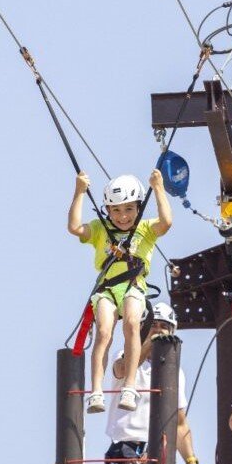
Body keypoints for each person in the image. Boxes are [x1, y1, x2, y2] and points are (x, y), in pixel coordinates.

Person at [68, 169, 172, 414]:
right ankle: (96, 391)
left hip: (133, 286)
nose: (122, 216)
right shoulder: (100, 229)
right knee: (104, 331)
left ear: (138, 208)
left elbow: (166, 222)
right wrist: (79, 191)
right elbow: (74, 227)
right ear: (107, 211)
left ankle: (130, 385)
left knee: (132, 324)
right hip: (107, 289)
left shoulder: (145, 229)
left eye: (128, 209)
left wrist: (158, 187)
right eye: (115, 210)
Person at [103, 303, 199, 464]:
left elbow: (178, 421)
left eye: (164, 327)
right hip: (128, 447)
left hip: (159, 452)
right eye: (153, 325)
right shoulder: (124, 357)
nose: (158, 330)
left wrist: (190, 460)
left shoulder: (174, 373)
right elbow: (124, 369)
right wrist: (149, 344)